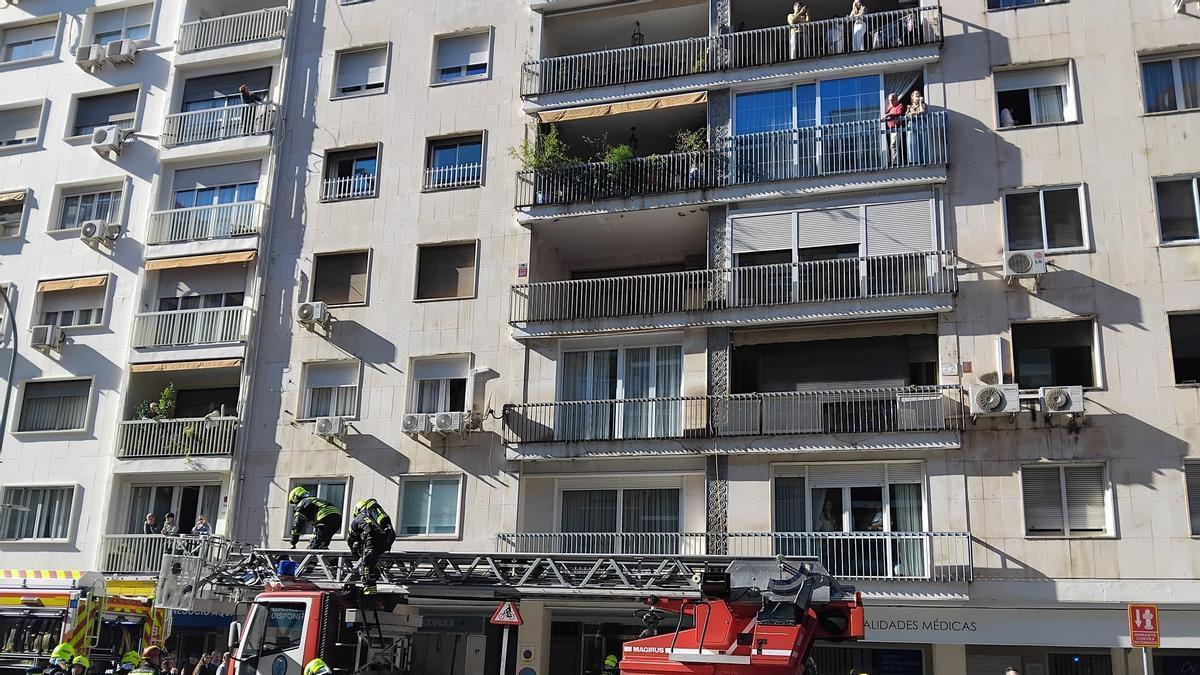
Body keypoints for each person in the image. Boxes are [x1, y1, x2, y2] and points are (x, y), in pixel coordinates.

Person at [348, 499, 396, 595]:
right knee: (373, 560)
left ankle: (369, 589)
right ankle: (375, 574)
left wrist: (355, 553)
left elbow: (351, 539)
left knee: (366, 564)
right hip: (388, 538)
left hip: (373, 540)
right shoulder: (374, 516)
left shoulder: (358, 519)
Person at [905, 89, 928, 164]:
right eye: (916, 94)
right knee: (911, 143)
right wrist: (917, 112)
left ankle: (923, 160)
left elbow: (923, 111)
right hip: (912, 124)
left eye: (919, 94)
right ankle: (913, 160)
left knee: (923, 142)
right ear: (912, 97)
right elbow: (907, 115)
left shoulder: (923, 105)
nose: (918, 95)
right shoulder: (909, 106)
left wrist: (920, 102)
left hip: (921, 123)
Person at [882, 93, 906, 165]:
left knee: (894, 145)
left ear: (896, 99)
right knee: (892, 145)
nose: (891, 102)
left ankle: (896, 162)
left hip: (897, 128)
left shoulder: (900, 105)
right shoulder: (890, 108)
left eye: (892, 100)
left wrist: (889, 115)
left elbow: (899, 113)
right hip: (890, 129)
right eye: (890, 100)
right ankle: (894, 161)